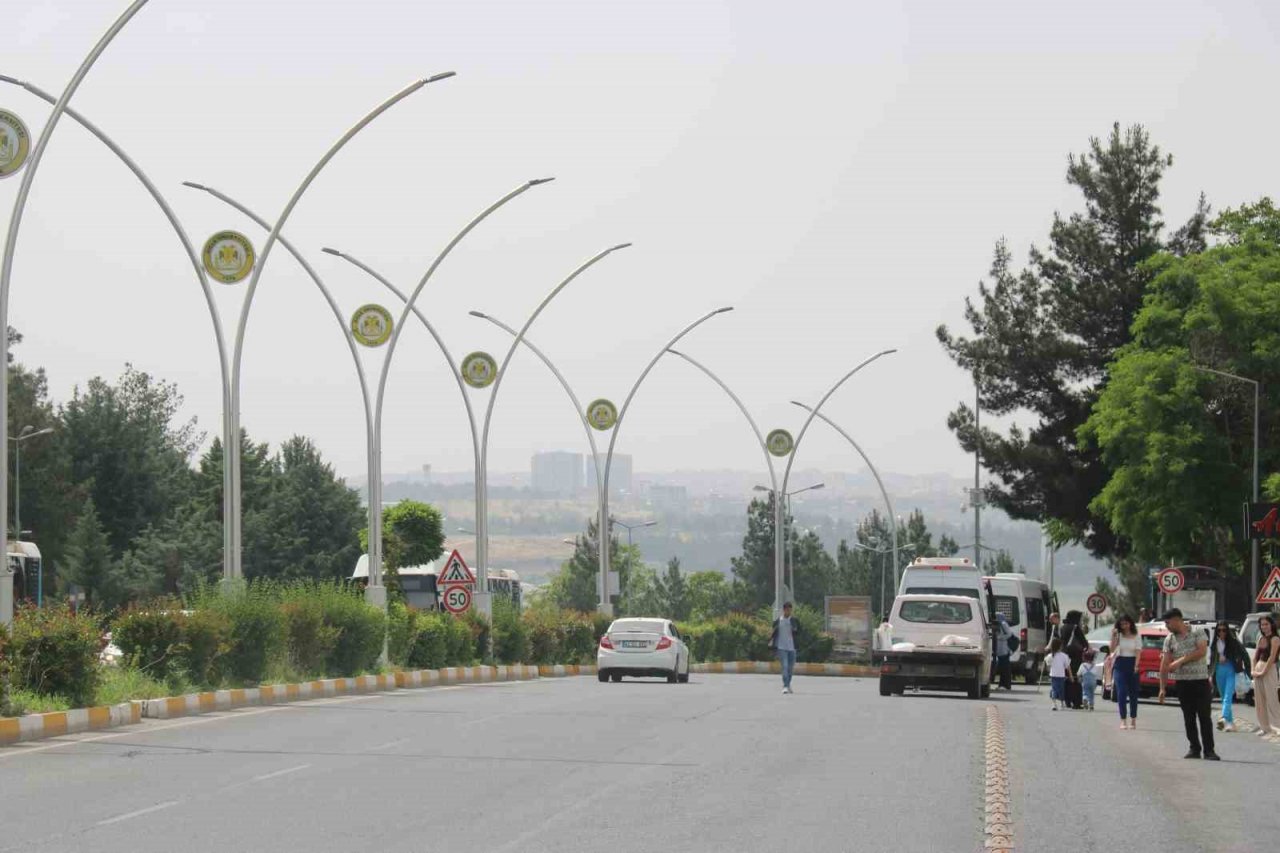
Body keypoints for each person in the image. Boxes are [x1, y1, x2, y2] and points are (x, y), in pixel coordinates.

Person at [1159, 608, 1218, 760]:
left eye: (1168, 622)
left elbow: (1201, 651)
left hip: (1200, 681)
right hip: (1183, 683)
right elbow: (1165, 663)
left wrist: (1180, 660)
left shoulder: (1197, 632)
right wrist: (1162, 688)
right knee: (1188, 717)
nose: (1166, 626)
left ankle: (1209, 750)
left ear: (1177, 620)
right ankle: (1194, 748)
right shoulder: (1170, 639)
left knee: (1204, 717)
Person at [1209, 623, 1249, 733]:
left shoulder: (1234, 642)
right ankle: (1230, 723)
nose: (1222, 633)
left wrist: (1248, 671)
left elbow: (1244, 655)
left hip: (1230, 669)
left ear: (1227, 631)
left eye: (1224, 630)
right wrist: (1210, 675)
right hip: (1218, 670)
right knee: (1223, 696)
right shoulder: (1214, 644)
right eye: (1219, 630)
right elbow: (1212, 660)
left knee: (1227, 695)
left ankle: (1223, 717)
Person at [1111, 614, 1141, 729]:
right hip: (1120, 664)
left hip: (1133, 663)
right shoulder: (1118, 635)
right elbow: (1112, 649)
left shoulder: (1136, 635)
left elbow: (1138, 651)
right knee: (1121, 692)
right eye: (1122, 624)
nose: (1124, 626)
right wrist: (1113, 637)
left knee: (1133, 694)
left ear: (1130, 623)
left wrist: (1136, 665)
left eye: (1126, 623)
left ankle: (1133, 719)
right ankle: (1123, 720)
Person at [1252, 614, 1280, 737]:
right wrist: (1253, 670)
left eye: (1266, 624)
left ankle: (1277, 726)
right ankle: (1264, 727)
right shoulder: (1260, 639)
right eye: (1262, 625)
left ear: (1271, 625)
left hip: (1269, 669)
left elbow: (1272, 657)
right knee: (1259, 700)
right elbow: (1255, 656)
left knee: (1272, 698)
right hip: (1258, 668)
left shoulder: (1275, 639)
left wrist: (1263, 672)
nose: (1264, 627)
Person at [770, 602, 801, 695]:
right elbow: (773, 633)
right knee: (785, 666)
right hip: (781, 647)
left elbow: (799, 631)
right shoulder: (778, 621)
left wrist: (794, 629)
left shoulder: (794, 620)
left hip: (792, 647)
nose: (789, 612)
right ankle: (785, 686)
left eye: (790, 610)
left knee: (790, 668)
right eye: (787, 610)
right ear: (784, 610)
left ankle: (788, 684)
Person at [1061, 611, 1088, 709]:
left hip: (1064, 655)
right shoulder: (1075, 628)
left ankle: (1067, 701)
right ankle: (1076, 702)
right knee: (1076, 679)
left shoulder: (1063, 627)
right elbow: (1084, 642)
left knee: (1067, 678)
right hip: (1075, 656)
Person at [1047, 638, 1073, 711]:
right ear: (1060, 646)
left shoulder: (1050, 656)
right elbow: (1068, 667)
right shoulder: (1064, 656)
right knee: (1060, 689)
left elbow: (1048, 665)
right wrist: (1071, 676)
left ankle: (1055, 703)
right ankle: (1060, 703)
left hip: (1054, 675)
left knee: (1055, 689)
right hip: (1061, 675)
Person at [992, 612, 1014, 690]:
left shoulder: (1003, 623)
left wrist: (1000, 637)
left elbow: (1009, 634)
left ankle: (1006, 685)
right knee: (1002, 668)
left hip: (1004, 649)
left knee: (1005, 669)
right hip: (1000, 650)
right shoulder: (999, 623)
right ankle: (1002, 685)